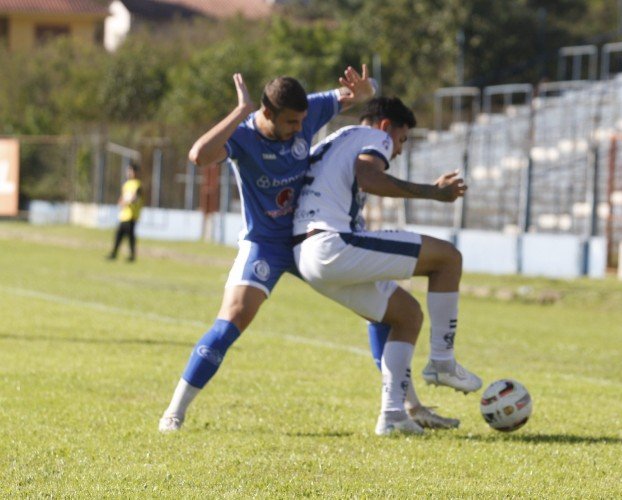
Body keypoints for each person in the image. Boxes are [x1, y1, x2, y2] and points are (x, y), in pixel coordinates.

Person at [158, 67, 376, 433]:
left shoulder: (308, 111)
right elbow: (199, 156)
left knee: (379, 301)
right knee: (231, 320)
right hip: (267, 244)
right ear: (267, 113)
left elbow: (359, 96)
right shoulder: (242, 137)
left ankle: (398, 408)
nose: (299, 129)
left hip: (312, 236)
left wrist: (367, 91)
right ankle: (174, 412)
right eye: (291, 122)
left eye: (302, 120)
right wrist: (240, 110)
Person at [292, 96, 482, 436]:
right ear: (385, 127)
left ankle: (394, 414)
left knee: (406, 315)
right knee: (448, 259)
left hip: (307, 257)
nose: (398, 151)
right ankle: (442, 361)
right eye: (402, 140)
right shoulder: (374, 137)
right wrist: (435, 193)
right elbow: (369, 178)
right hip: (332, 244)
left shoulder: (334, 139)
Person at [107, 163, 143, 262]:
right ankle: (114, 254)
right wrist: (121, 202)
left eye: (130, 170)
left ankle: (131, 256)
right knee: (119, 235)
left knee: (130, 236)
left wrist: (129, 201)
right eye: (128, 171)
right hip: (124, 214)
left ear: (135, 172)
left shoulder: (137, 184)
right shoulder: (126, 184)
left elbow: (136, 198)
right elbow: (122, 198)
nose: (128, 173)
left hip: (132, 215)